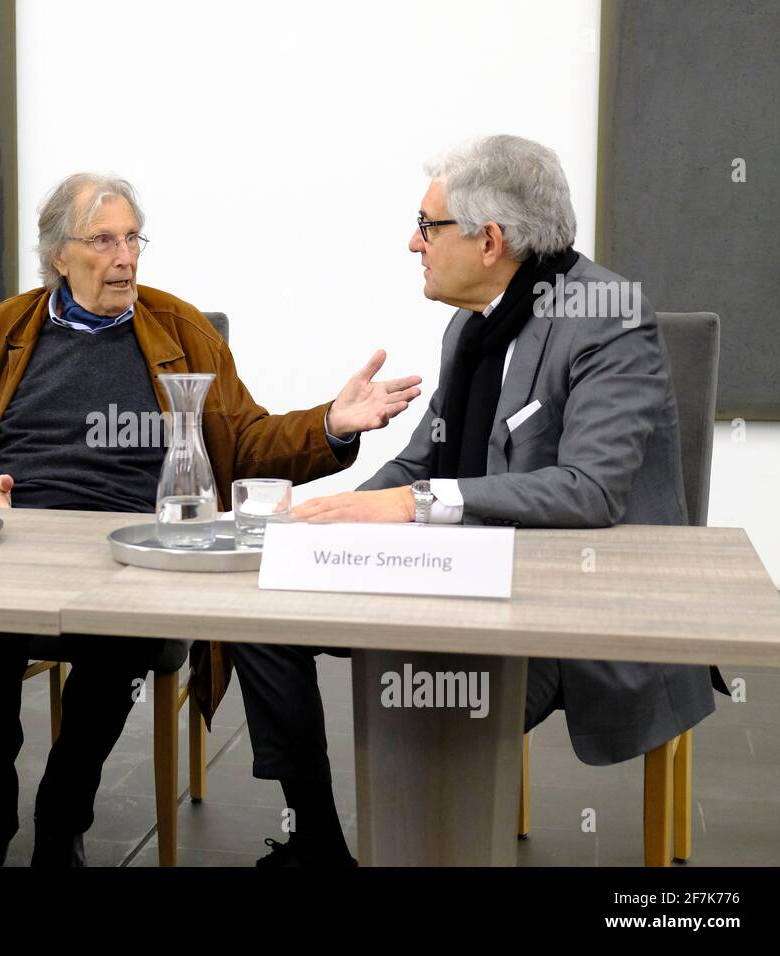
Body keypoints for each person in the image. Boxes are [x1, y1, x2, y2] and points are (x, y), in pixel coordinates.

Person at [234, 134, 723, 866]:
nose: (412, 243)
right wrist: (319, 529)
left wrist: (414, 505)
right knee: (262, 616)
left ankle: (432, 841)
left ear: (489, 239)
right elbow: (422, 460)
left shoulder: (607, 317)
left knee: (419, 698)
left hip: (557, 611)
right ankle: (318, 845)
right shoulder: (471, 326)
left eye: (426, 227)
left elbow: (588, 492)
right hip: (450, 576)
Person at [0, 172, 421, 865]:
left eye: (132, 239)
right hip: (25, 540)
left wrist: (332, 424)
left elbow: (246, 442)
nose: (125, 258)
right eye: (104, 241)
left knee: (120, 643)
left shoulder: (180, 330)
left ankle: (62, 817)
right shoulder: (6, 328)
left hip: (137, 550)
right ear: (59, 255)